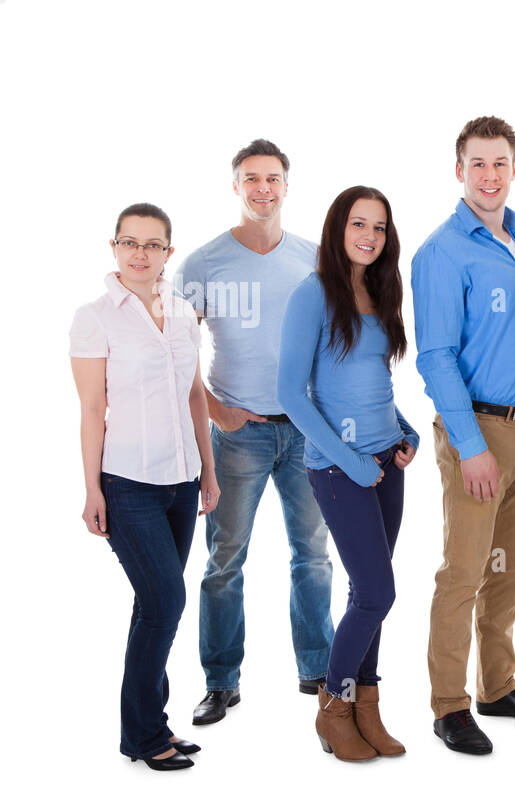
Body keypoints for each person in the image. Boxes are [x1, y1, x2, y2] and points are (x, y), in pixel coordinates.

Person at [413, 116, 515, 756]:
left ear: (514, 168)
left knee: (510, 568)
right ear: (459, 170)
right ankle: (450, 705)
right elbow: (436, 357)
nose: (490, 175)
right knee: (464, 572)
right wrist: (471, 446)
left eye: (500, 163)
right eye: (478, 163)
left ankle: (498, 685)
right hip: (480, 432)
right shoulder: (441, 252)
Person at [176, 139, 333, 725]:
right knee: (223, 560)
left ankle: (317, 669)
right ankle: (220, 682)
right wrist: (215, 409)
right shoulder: (203, 263)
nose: (262, 188)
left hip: (305, 432)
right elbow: (176, 349)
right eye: (250, 178)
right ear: (235, 186)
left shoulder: (315, 259)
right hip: (239, 431)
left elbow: (338, 343)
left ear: (286, 187)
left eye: (272, 178)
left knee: (313, 556)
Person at [70, 204, 221, 770]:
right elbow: (91, 408)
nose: (140, 254)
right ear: (114, 247)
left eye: (152, 245)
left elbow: (194, 394)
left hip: (180, 484)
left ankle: (149, 725)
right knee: (166, 601)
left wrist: (208, 471)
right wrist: (92, 490)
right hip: (127, 483)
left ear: (168, 254)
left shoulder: (182, 313)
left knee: (153, 605)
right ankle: (142, 734)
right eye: (129, 243)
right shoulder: (95, 317)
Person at [278, 186, 419, 762]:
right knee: (377, 592)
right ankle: (333, 707)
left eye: (379, 227)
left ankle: (368, 704)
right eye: (358, 224)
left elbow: (373, 381)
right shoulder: (313, 293)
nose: (369, 235)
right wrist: (349, 459)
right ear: (338, 229)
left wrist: (404, 431)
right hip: (340, 469)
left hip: (389, 462)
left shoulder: (382, 288)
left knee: (370, 594)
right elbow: (292, 393)